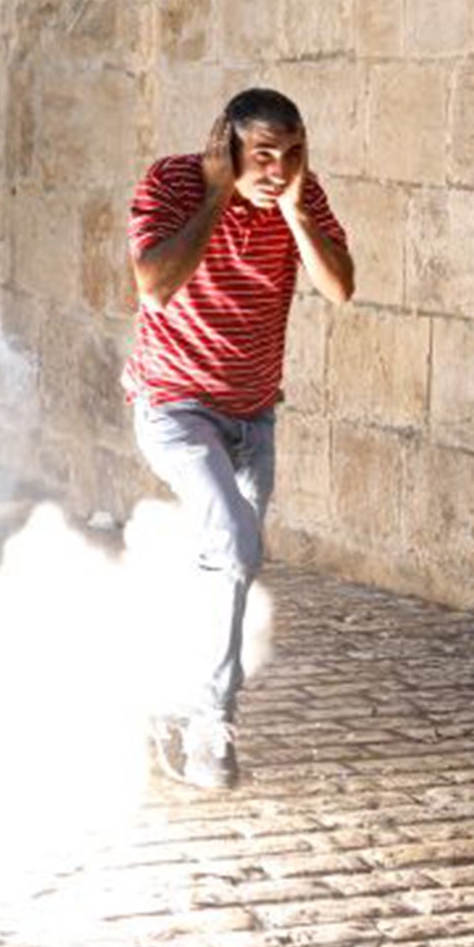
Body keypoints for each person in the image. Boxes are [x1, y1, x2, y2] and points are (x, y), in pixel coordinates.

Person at [126, 87, 354, 790]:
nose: (278, 170)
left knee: (227, 567)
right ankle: (209, 728)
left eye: (290, 155)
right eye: (262, 156)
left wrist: (292, 208)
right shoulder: (173, 182)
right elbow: (155, 287)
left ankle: (170, 697)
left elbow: (340, 287)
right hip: (175, 406)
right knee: (233, 542)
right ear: (226, 144)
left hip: (253, 415)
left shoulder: (298, 197)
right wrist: (219, 196)